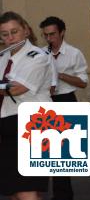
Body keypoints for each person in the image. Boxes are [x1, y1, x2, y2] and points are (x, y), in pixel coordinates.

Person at [0, 12, 53, 200]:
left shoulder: (37, 56)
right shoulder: (3, 58)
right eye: (5, 34)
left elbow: (16, 89)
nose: (10, 38)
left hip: (33, 124)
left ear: (26, 30)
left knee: (26, 190)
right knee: (12, 191)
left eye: (14, 32)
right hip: (8, 123)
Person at [39, 16, 88, 200]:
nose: (49, 39)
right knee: (46, 152)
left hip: (66, 99)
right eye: (46, 35)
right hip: (46, 100)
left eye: (52, 34)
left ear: (62, 32)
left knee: (63, 154)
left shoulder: (74, 53)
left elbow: (83, 82)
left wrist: (59, 74)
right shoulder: (41, 54)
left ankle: (63, 195)